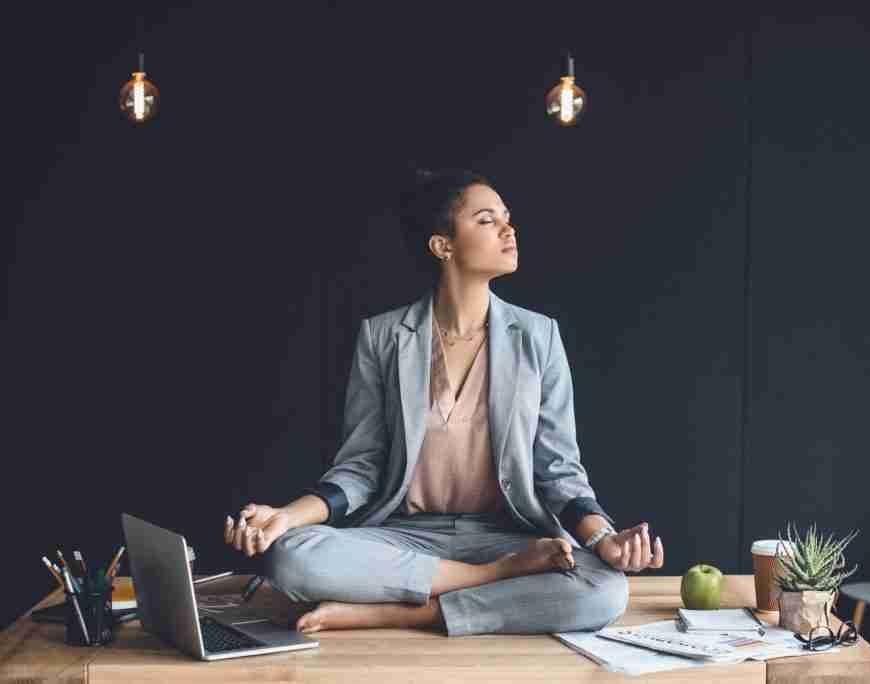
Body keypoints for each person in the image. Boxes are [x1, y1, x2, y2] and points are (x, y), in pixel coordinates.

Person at [223, 167, 665, 636]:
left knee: (606, 588)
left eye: (507, 218)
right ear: (443, 246)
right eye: (486, 219)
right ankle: (491, 580)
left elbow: (559, 471)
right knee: (290, 557)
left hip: (504, 534)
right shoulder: (383, 336)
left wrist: (603, 538)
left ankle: (405, 612)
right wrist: (285, 516)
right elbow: (361, 467)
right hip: (407, 537)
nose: (508, 229)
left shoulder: (539, 336)